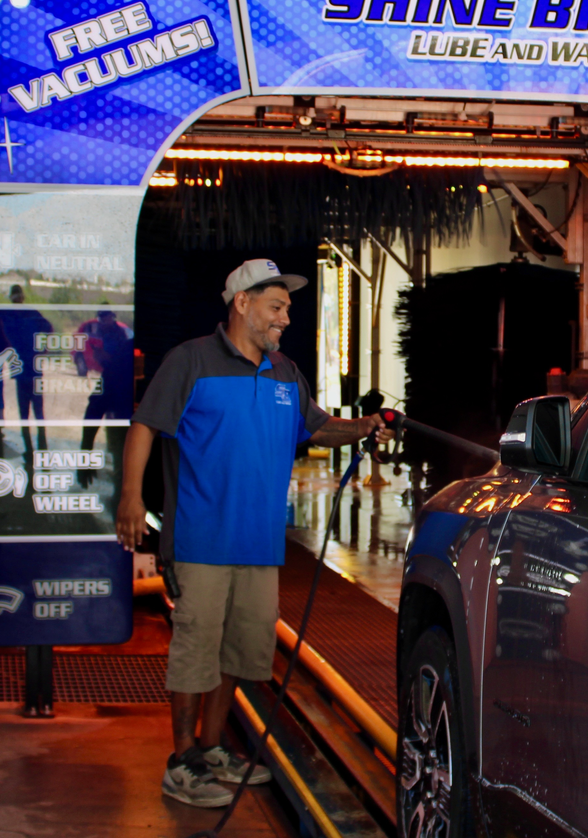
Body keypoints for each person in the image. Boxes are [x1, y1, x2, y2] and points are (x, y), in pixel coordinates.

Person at [115, 259, 388, 807]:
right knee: (197, 649)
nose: (285, 317)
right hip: (200, 539)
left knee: (242, 651)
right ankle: (182, 762)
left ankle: (212, 749)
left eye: (287, 308)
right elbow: (146, 424)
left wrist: (363, 427)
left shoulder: (285, 371)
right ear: (242, 303)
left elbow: (316, 428)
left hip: (260, 543)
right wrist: (131, 496)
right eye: (276, 306)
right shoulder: (191, 361)